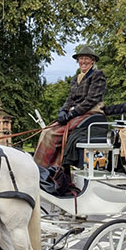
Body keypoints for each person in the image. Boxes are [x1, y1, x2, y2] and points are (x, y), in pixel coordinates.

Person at [37, 45, 107, 194]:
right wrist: (63, 110)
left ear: (92, 61)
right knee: (46, 131)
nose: (83, 61)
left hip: (90, 112)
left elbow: (92, 99)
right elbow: (69, 99)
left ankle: (45, 171)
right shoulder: (75, 79)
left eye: (86, 58)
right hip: (76, 113)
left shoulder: (97, 75)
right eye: (81, 58)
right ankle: (45, 170)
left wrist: (72, 113)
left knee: (52, 134)